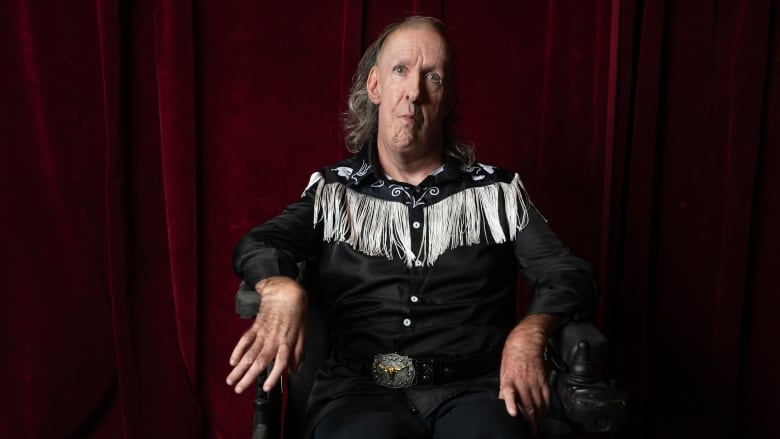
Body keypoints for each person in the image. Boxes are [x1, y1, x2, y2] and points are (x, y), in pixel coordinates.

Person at [226, 15, 598, 438]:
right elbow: (260, 243)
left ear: (448, 100)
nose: (414, 92)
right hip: (359, 393)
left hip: (474, 391)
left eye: (432, 77)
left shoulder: (496, 192)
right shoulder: (333, 192)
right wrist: (280, 287)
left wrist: (531, 331)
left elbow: (568, 273)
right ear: (375, 87)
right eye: (401, 70)